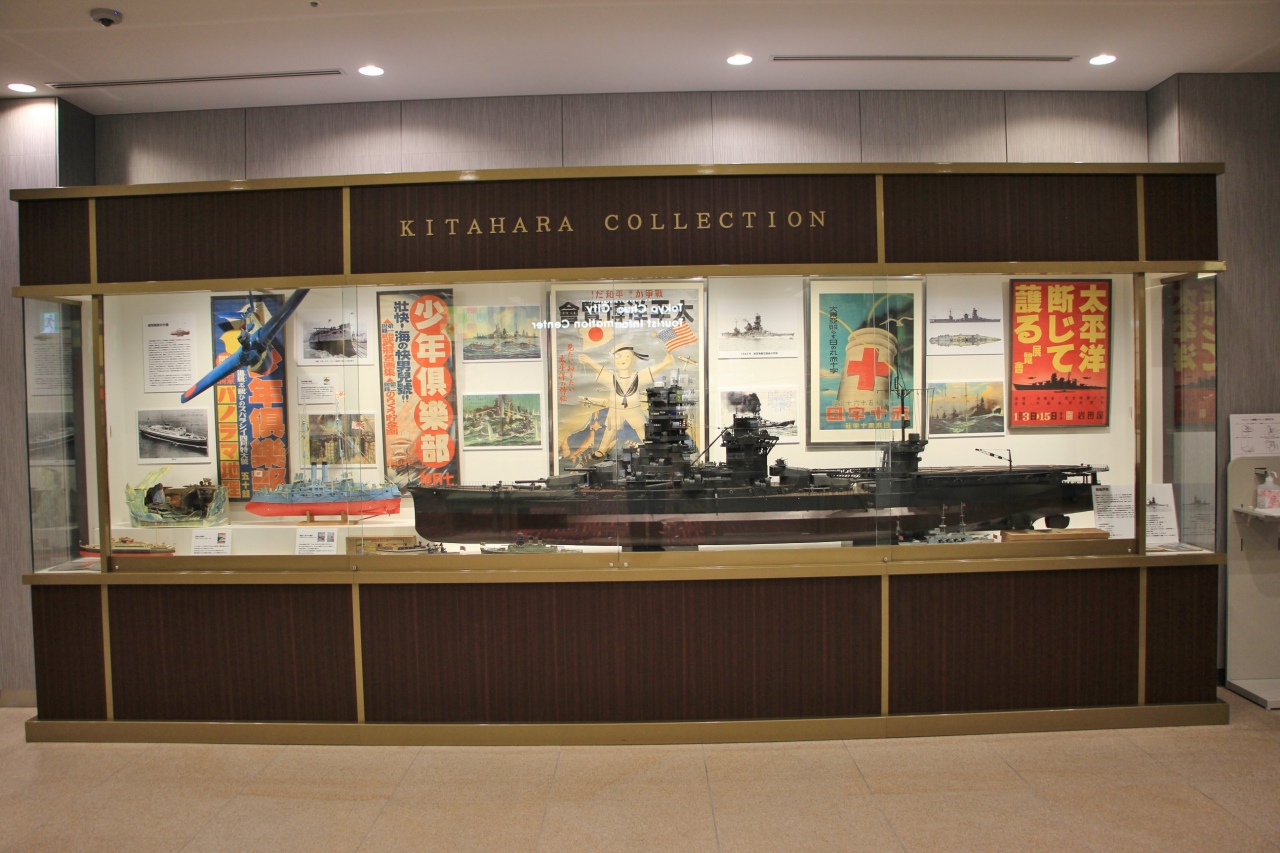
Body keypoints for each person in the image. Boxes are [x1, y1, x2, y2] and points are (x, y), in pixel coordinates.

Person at [575, 342, 674, 458]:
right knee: (610, 429)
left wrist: (665, 363)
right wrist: (588, 361)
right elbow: (600, 370)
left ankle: (650, 448)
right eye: (618, 357)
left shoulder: (637, 376)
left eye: (627, 356)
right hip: (616, 409)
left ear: (633, 358)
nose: (622, 360)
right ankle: (602, 449)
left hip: (634, 409)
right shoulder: (612, 377)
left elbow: (651, 371)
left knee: (641, 428)